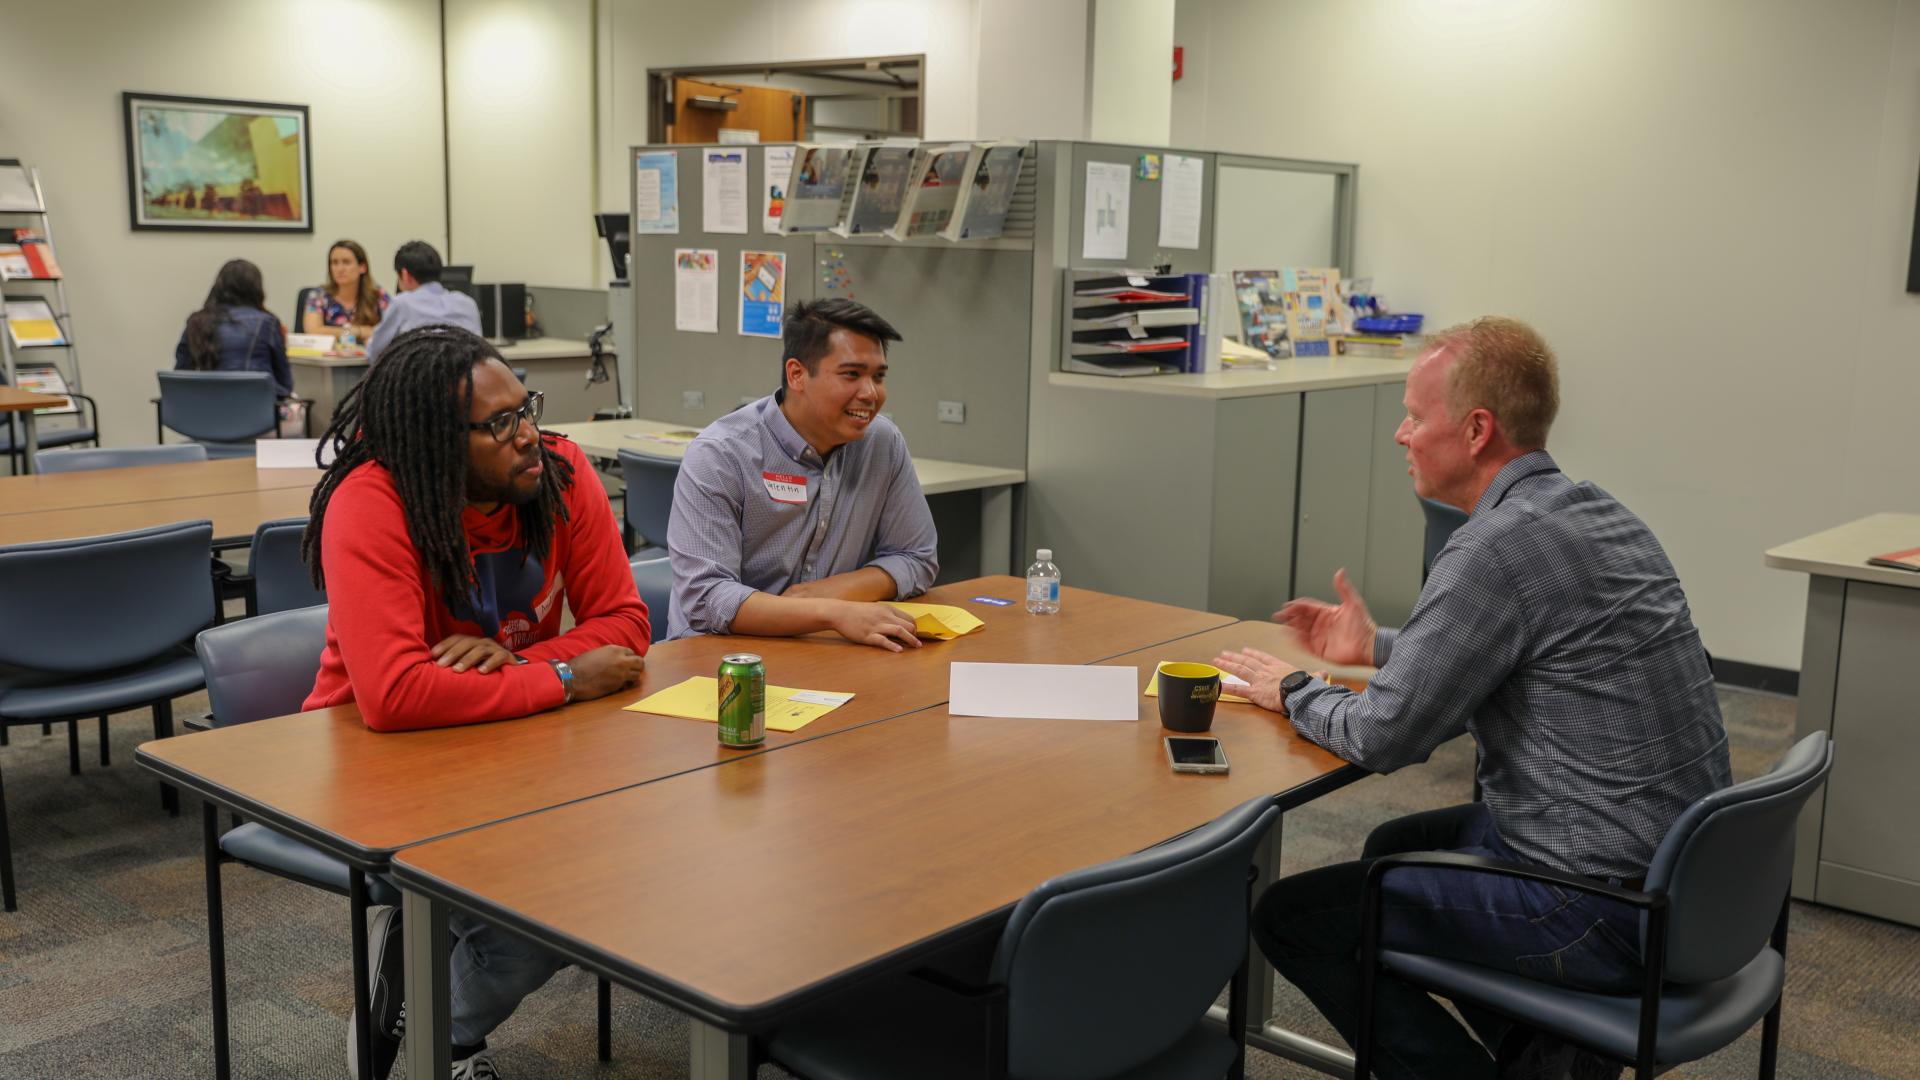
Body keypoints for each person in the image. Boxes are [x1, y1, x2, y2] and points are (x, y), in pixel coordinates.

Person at [1211, 317, 1731, 1080]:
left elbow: (1386, 736)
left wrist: (1292, 690)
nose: (1401, 435)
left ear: (1477, 429)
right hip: (1687, 878)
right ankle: (1547, 1063)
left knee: (1298, 920)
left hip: (1603, 907)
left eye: (1415, 417)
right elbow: (1529, 650)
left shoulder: (1492, 549)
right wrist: (1379, 649)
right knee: (1393, 849)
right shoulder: (1595, 512)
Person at [301, 325, 650, 1079]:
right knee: (539, 925)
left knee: (618, 877)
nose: (528, 435)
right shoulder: (372, 502)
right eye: (499, 424)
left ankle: (433, 1028)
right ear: (435, 443)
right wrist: (562, 677)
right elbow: (394, 695)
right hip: (373, 766)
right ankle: (439, 1036)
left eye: (526, 408)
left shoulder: (557, 470)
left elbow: (624, 624)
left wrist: (519, 662)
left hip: (508, 744)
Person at [667, 298, 937, 650]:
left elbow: (916, 556)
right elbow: (708, 598)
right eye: (851, 375)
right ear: (797, 374)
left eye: (879, 377)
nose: (871, 393)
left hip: (824, 646)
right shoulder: (721, 454)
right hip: (721, 655)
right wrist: (830, 612)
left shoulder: (881, 443)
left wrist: (825, 596)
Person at [173, 258, 292, 396]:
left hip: (203, 411)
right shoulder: (268, 323)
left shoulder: (196, 321)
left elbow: (179, 379)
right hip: (254, 412)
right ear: (257, 289)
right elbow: (285, 385)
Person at [365, 240, 482, 361]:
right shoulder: (467, 303)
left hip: (417, 377)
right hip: (463, 377)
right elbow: (480, 351)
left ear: (405, 275)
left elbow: (376, 353)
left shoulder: (402, 303)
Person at [302, 238, 391, 341]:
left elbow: (392, 330)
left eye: (346, 262)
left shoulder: (378, 295)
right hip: (329, 356)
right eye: (334, 263)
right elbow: (313, 331)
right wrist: (358, 331)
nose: (340, 269)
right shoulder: (319, 295)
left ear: (362, 267)